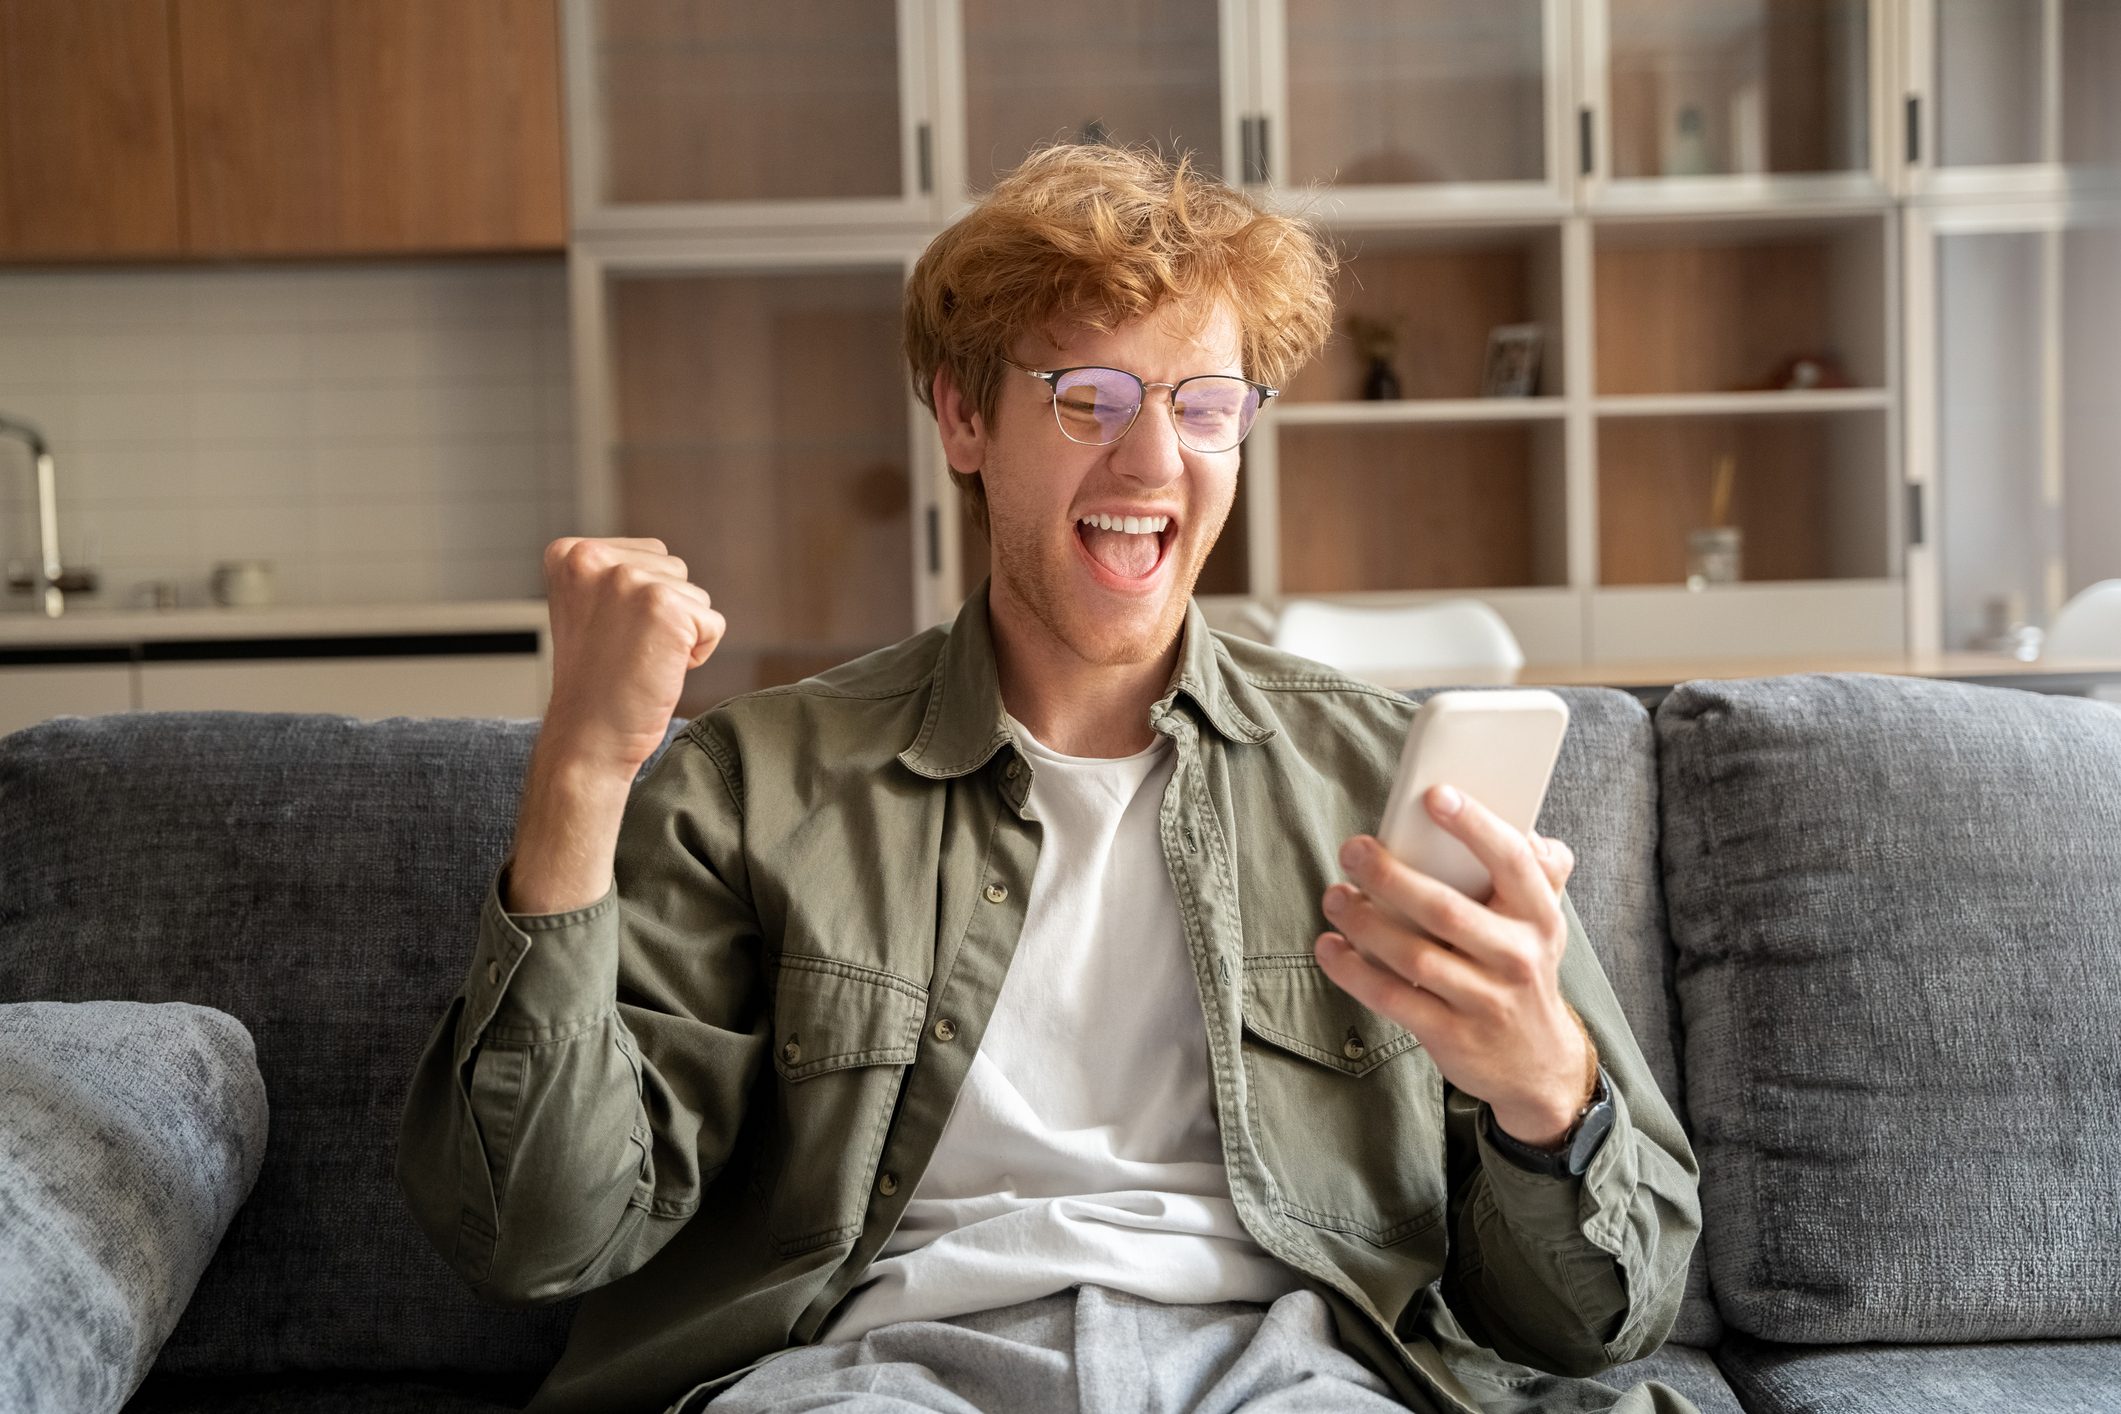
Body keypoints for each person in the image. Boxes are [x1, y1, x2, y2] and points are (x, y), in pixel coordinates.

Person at [396, 141, 1703, 1414]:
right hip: (884, 1365)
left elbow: (1597, 1318)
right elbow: (536, 1234)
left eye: (1202, 404)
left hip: (1284, 1363)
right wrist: (580, 766)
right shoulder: (757, 783)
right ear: (965, 418)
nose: (1152, 464)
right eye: (1090, 397)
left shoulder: (1381, 776)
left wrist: (1546, 1095)